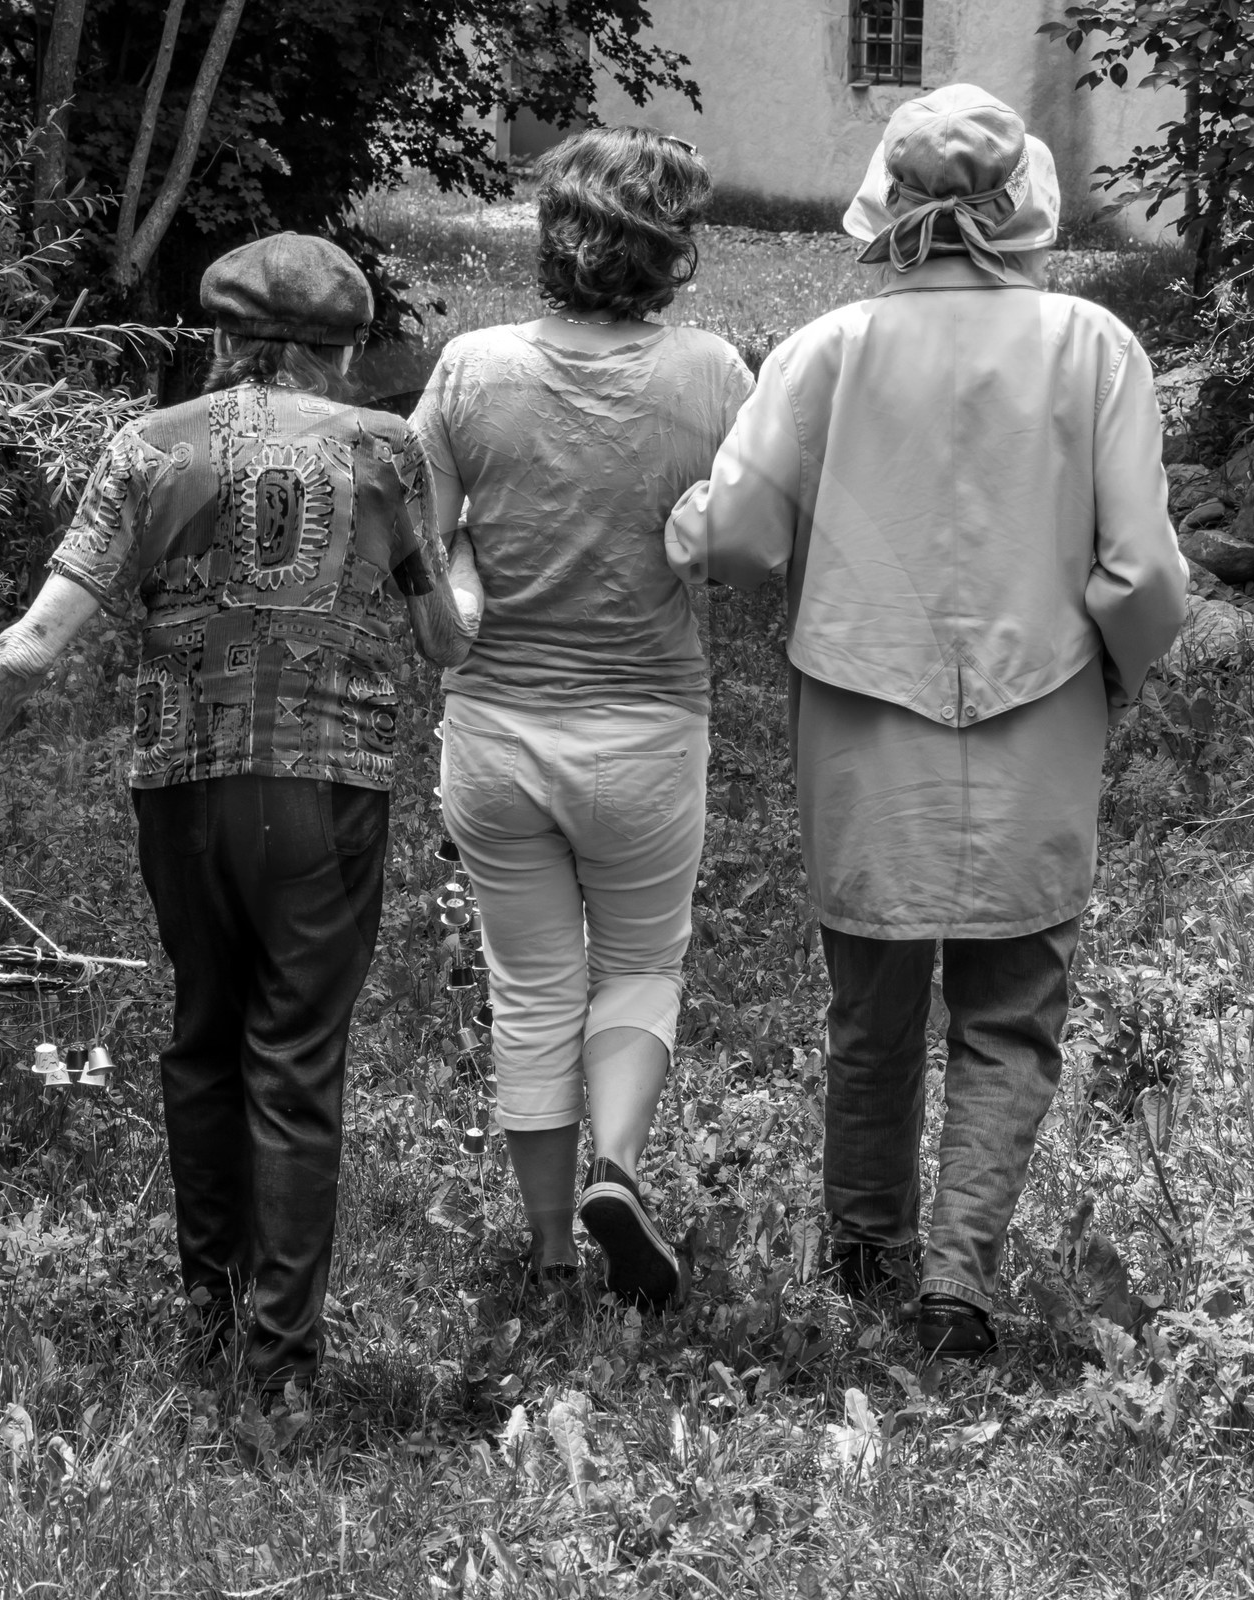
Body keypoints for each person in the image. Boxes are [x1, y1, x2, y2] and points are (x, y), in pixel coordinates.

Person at [0, 232, 483, 1393]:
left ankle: (209, 1328)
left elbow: (31, 647)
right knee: (295, 1058)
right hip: (326, 789)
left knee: (205, 1038)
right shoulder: (384, 449)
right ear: (345, 350)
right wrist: (471, 577)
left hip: (182, 792)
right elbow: (443, 640)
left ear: (222, 337)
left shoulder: (148, 448)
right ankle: (281, 1368)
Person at [666, 86, 1187, 1354]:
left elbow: (737, 537)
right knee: (1011, 1012)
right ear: (1023, 205)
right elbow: (1142, 576)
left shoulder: (825, 348)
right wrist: (1113, 674)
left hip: (861, 717)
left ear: (889, 202)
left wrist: (700, 528)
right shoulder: (1093, 344)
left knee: (871, 1006)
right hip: (1040, 712)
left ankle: (863, 1251)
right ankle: (957, 1278)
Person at [413, 127, 754, 1307]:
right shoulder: (713, 374)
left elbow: (418, 551)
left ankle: (554, 1249)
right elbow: (752, 542)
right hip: (647, 729)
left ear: (553, 236)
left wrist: (469, 560)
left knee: (530, 985)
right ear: (670, 250)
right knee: (641, 964)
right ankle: (617, 1166)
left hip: (495, 733)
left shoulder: (469, 368)